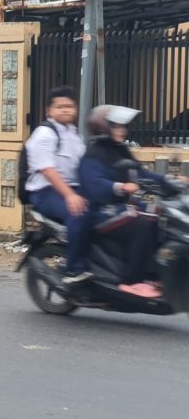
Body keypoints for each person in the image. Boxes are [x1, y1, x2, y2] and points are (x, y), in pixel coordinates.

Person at [78, 105, 167, 298]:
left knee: (160, 214)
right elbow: (95, 185)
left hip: (122, 207)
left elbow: (142, 173)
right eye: (116, 127)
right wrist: (120, 187)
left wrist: (170, 180)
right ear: (103, 128)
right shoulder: (94, 154)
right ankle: (131, 280)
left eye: (123, 127)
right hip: (101, 211)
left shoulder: (120, 150)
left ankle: (154, 274)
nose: (122, 131)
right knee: (144, 221)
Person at [23, 85, 91, 283]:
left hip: (71, 187)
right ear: (49, 111)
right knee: (78, 214)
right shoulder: (44, 134)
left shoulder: (74, 134)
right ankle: (72, 268)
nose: (65, 109)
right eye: (60, 106)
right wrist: (70, 196)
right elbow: (48, 170)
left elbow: (82, 166)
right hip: (46, 191)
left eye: (69, 106)